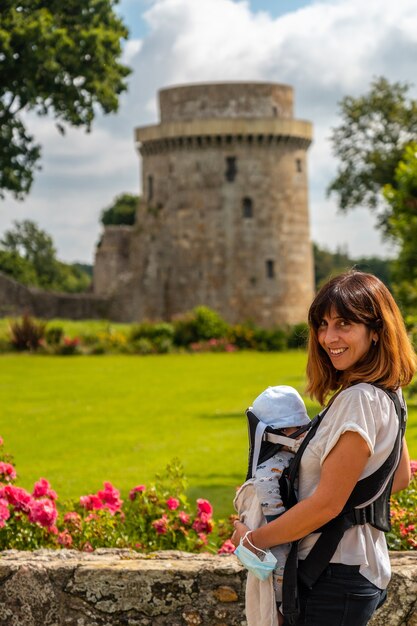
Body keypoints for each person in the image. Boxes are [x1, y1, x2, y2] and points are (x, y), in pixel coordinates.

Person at [232, 271, 416, 626]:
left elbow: (328, 503)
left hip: (331, 574)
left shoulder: (358, 400)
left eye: (344, 324)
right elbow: (400, 477)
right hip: (360, 568)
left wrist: (254, 540)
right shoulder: (388, 393)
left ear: (375, 330)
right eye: (323, 324)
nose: (328, 337)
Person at [234, 385, 311, 625]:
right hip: (275, 538)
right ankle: (280, 607)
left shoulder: (297, 458)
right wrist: (278, 521)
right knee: (279, 571)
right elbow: (268, 493)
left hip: (287, 540)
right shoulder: (269, 470)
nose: (301, 435)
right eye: (295, 429)